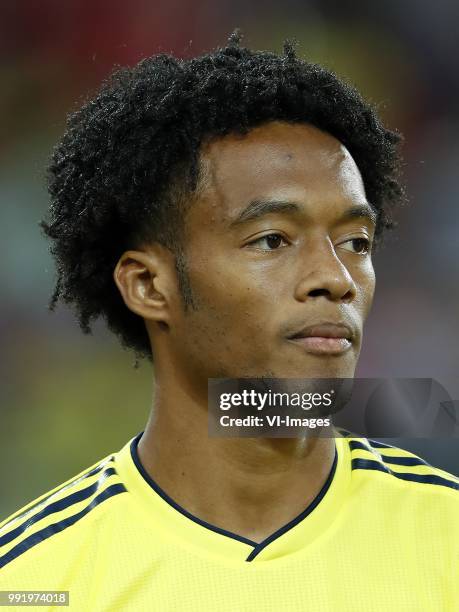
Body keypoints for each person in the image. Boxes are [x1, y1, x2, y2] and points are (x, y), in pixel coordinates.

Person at [0, 31, 457, 611]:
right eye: (273, 239)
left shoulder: (447, 541)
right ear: (149, 285)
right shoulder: (33, 584)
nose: (336, 277)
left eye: (356, 242)